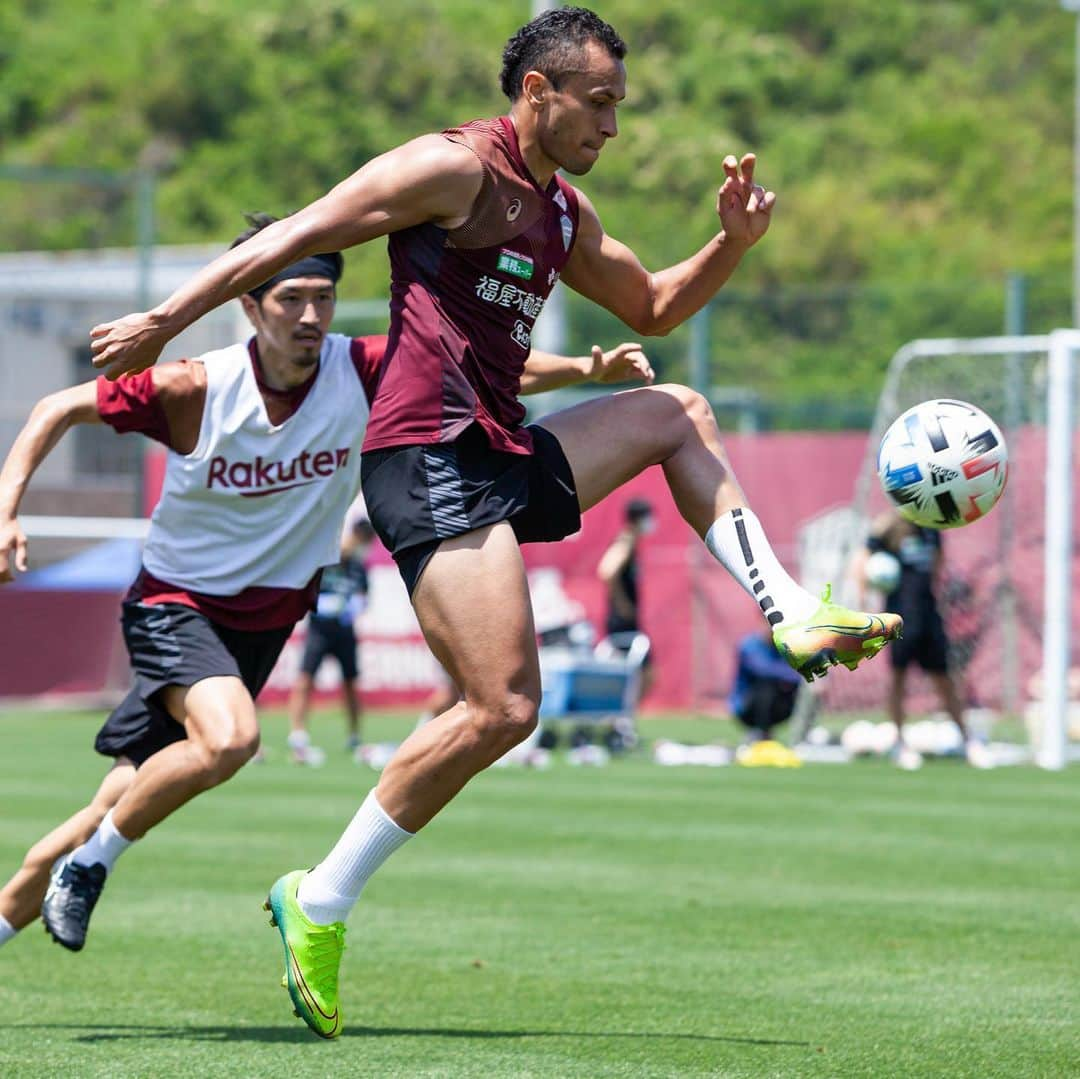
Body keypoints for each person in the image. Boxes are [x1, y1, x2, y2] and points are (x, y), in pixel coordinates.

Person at [86, 7, 901, 1038]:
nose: (612, 124)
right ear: (537, 93)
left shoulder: (561, 211)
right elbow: (297, 231)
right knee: (506, 707)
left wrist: (730, 244)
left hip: (498, 447)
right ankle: (320, 897)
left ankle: (788, 610)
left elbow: (651, 306)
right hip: (423, 453)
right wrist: (164, 321)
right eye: (596, 102)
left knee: (677, 413)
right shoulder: (450, 169)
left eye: (619, 104)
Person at [0, 212, 654, 954]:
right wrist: (6, 508)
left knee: (122, 797)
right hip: (176, 606)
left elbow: (482, 372)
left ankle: (20, 900)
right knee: (232, 740)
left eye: (322, 298)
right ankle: (90, 868)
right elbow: (58, 406)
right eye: (289, 300)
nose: (310, 316)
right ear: (248, 302)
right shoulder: (196, 387)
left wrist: (582, 372)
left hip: (265, 624)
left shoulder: (360, 368)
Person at [857, 510, 993, 771]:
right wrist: (865, 604)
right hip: (898, 617)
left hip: (929, 615)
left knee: (944, 680)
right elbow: (863, 559)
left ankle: (968, 741)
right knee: (898, 679)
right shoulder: (888, 530)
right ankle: (900, 743)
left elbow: (937, 568)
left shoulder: (932, 529)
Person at [287, 516, 375, 764]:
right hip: (319, 630)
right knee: (306, 679)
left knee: (350, 683)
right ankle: (298, 734)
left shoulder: (359, 566)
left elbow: (364, 596)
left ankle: (355, 735)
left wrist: (354, 607)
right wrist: (324, 605)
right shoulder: (326, 559)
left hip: (345, 631)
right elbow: (306, 591)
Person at [597, 496, 655, 697]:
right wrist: (621, 604)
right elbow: (606, 570)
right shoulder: (625, 542)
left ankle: (621, 717)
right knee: (645, 674)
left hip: (627, 621)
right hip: (622, 622)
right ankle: (622, 716)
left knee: (634, 674)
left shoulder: (632, 543)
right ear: (638, 519)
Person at [729, 628, 804, 743]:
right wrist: (800, 673)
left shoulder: (786, 646)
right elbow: (763, 669)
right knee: (766, 685)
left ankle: (803, 736)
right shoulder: (750, 645)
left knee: (810, 688)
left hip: (779, 706)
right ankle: (761, 734)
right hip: (747, 708)